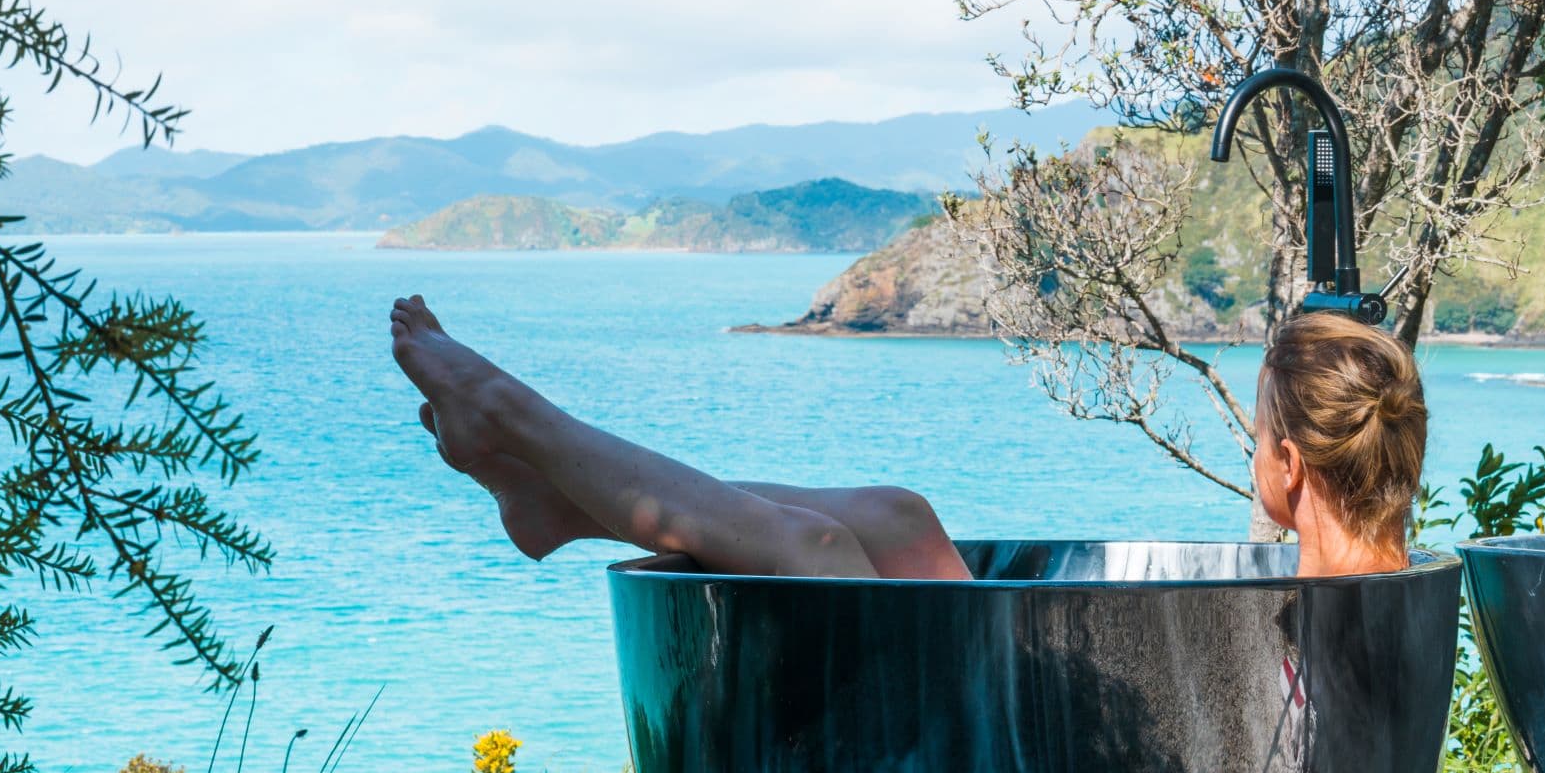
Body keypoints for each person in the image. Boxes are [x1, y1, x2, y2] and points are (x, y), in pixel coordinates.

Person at [389, 294, 1425, 580]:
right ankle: (557, 501)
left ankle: (520, 421)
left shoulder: (1322, 607)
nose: (1255, 458)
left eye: (1258, 442)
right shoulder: (1380, 588)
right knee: (900, 518)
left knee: (821, 553)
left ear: (1289, 464)